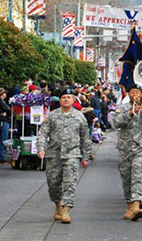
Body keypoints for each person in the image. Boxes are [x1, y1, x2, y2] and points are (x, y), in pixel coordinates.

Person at [36, 88, 92, 224]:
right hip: (54, 154)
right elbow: (43, 133)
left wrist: (86, 156)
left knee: (70, 183)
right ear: (60, 100)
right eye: (63, 97)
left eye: (69, 97)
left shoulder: (79, 116)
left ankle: (66, 211)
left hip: (72, 155)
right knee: (53, 183)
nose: (66, 99)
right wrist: (41, 148)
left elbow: (85, 137)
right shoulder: (52, 115)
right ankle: (58, 205)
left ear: (73, 100)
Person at [112, 84, 142, 221]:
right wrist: (130, 112)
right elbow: (115, 122)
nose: (135, 95)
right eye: (132, 92)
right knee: (126, 177)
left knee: (139, 175)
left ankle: (136, 205)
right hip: (125, 148)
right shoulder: (122, 108)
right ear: (128, 94)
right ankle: (129, 205)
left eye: (138, 92)